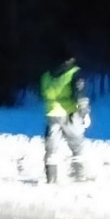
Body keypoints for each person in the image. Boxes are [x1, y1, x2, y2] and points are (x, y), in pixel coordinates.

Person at [40, 44, 93, 183]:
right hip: (70, 115)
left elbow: (43, 93)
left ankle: (51, 179)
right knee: (77, 146)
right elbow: (79, 93)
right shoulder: (74, 73)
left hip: (51, 115)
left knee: (51, 149)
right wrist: (85, 113)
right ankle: (79, 176)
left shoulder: (46, 75)